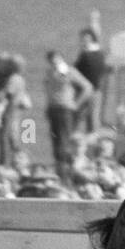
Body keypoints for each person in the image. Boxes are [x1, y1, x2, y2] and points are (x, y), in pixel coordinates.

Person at [43, 51, 92, 181]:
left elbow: (87, 87)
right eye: (51, 61)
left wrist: (76, 104)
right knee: (56, 140)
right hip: (53, 108)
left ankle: (67, 171)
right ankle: (59, 169)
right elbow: (49, 91)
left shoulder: (69, 72)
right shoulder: (50, 73)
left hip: (65, 109)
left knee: (64, 140)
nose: (54, 63)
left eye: (56, 60)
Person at [73, 28, 109, 133]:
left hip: (84, 91)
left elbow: (76, 71)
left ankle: (77, 140)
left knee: (78, 118)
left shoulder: (85, 55)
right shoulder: (101, 54)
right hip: (96, 91)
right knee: (93, 120)